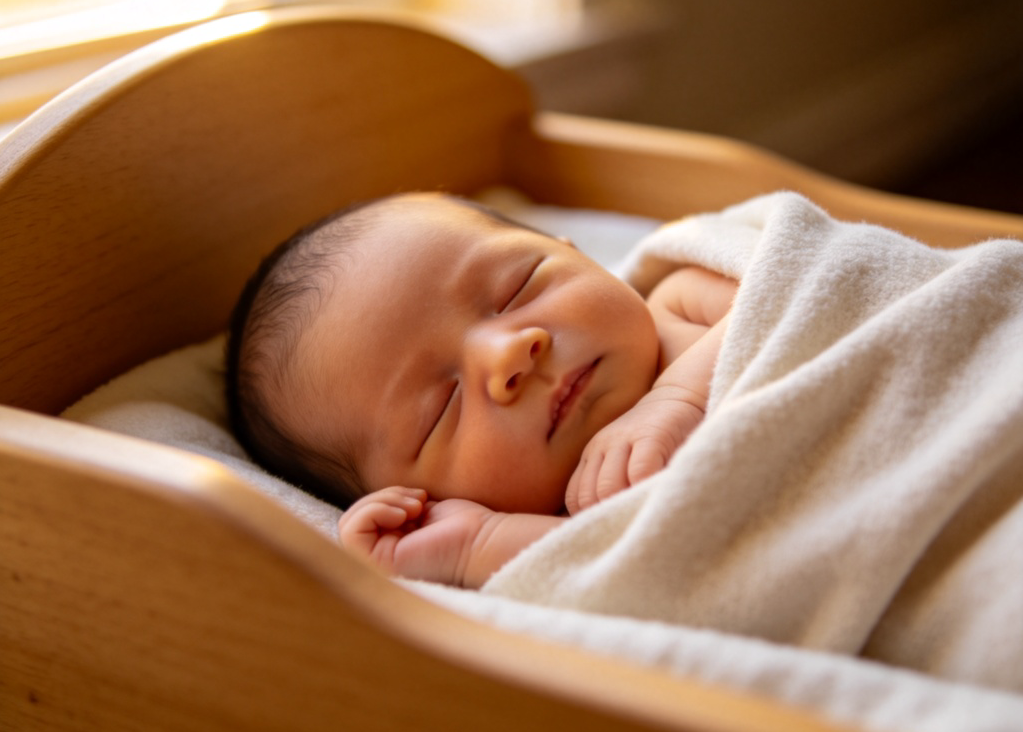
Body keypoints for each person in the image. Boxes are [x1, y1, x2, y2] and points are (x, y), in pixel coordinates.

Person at [227, 192, 736, 588]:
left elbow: (804, 290)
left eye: (519, 287)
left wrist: (679, 399)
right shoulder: (570, 521)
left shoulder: (682, 304)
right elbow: (647, 579)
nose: (507, 354)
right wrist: (476, 545)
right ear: (420, 498)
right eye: (443, 409)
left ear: (573, 253)